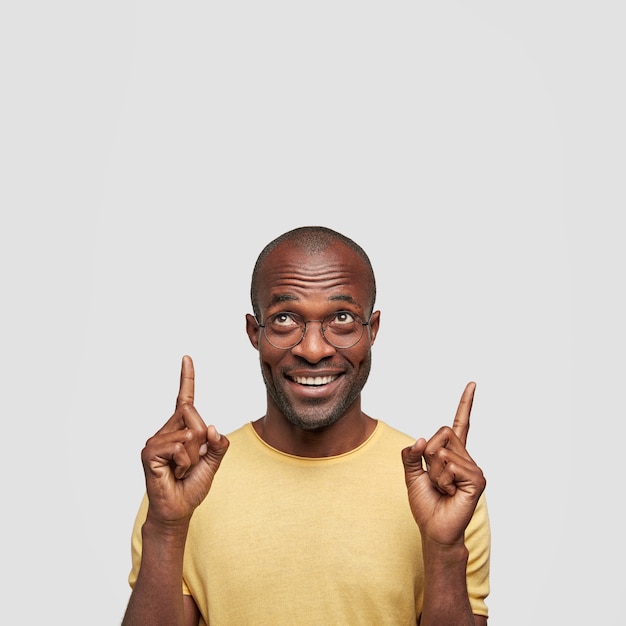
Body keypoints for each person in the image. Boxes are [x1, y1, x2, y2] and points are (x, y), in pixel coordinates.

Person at [122, 226, 490, 626]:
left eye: (343, 318)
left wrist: (443, 550)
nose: (313, 350)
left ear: (373, 330)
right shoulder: (187, 483)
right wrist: (165, 529)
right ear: (253, 332)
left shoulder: (442, 487)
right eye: (284, 318)